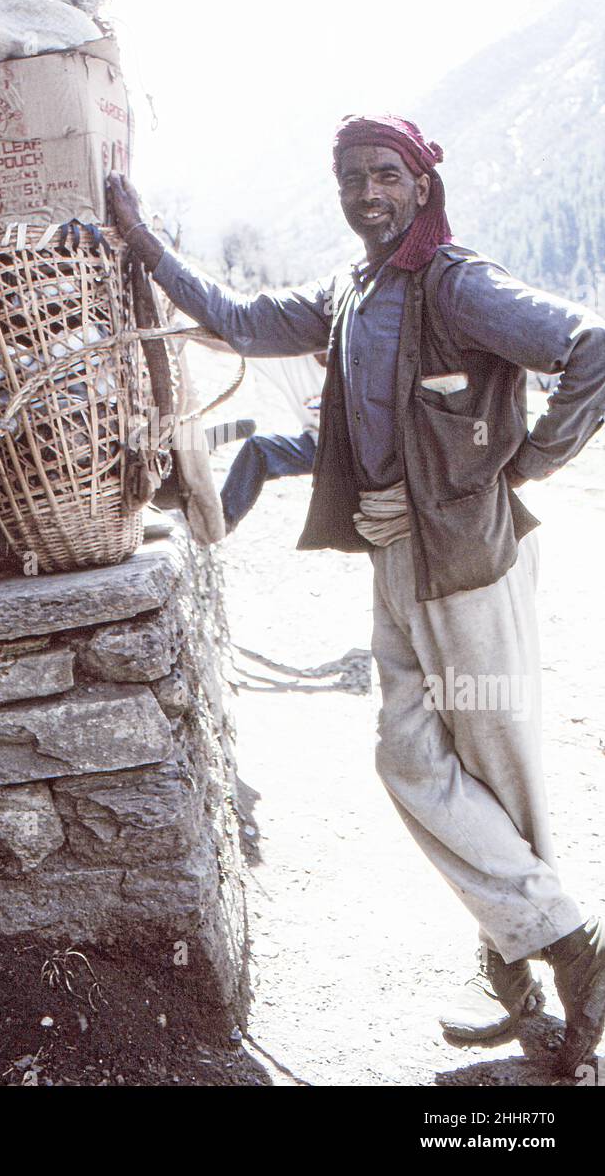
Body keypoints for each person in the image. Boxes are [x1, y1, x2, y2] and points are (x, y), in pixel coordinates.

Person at [106, 114, 605, 1074]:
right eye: (350, 178)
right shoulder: (353, 289)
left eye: (385, 174)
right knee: (409, 754)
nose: (367, 193)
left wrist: (525, 463)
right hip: (399, 560)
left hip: (470, 563)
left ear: (421, 184)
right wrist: (147, 246)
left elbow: (590, 344)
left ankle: (530, 969)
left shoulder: (456, 283)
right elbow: (244, 320)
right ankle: (558, 942)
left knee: (496, 767)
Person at [219, 353, 326, 534]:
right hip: (316, 446)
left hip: (354, 453)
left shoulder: (357, 362)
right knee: (259, 448)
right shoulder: (294, 360)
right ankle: (221, 524)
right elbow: (237, 344)